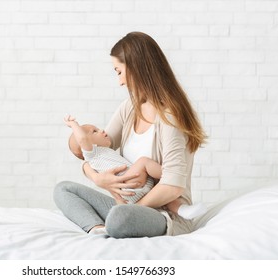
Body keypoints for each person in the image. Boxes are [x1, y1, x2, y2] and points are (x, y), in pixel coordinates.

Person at [54, 31, 207, 238]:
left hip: (163, 214)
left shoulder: (170, 117)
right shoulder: (129, 109)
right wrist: (98, 179)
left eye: (119, 71)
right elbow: (94, 150)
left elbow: (172, 186)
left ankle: (115, 221)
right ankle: (97, 228)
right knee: (63, 190)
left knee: (120, 217)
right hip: (127, 206)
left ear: (136, 68)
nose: (120, 82)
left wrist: (134, 209)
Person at [63, 114, 206, 220]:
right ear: (86, 146)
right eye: (94, 132)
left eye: (97, 128)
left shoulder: (102, 153)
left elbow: (85, 142)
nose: (101, 130)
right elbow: (82, 138)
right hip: (128, 185)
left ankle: (183, 210)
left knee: (166, 199)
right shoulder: (92, 154)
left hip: (136, 192)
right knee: (143, 161)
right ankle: (170, 175)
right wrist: (74, 124)